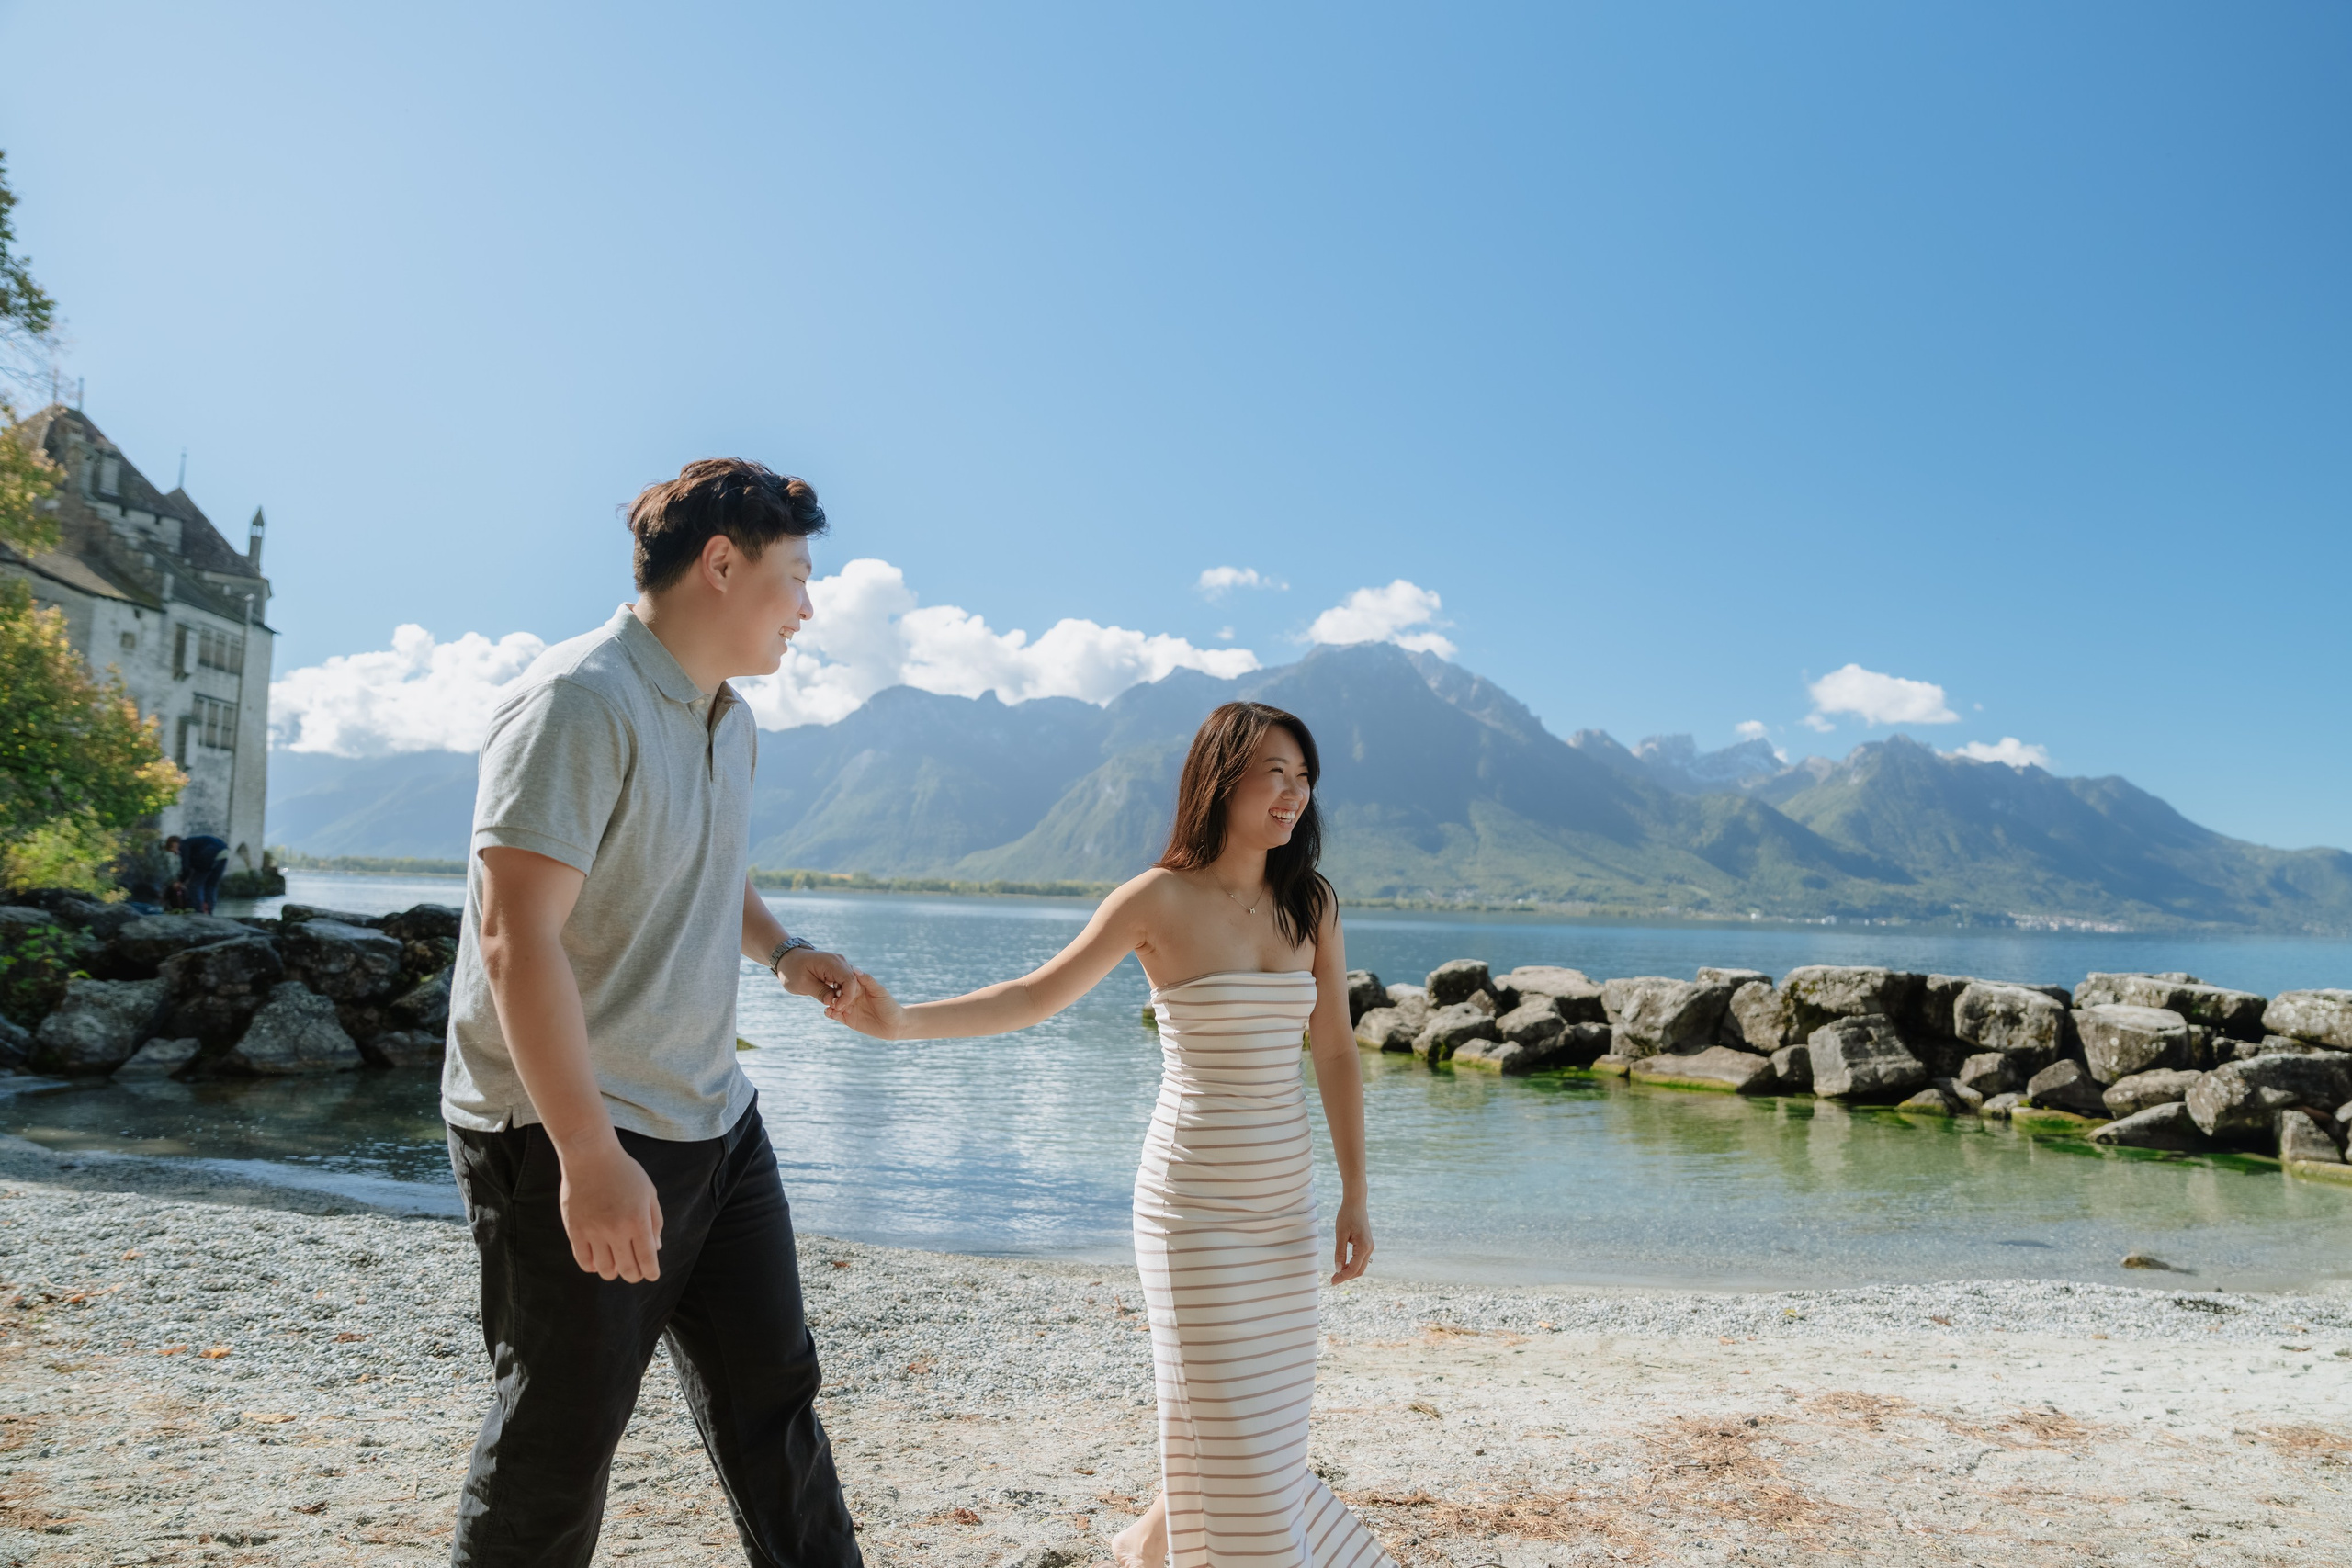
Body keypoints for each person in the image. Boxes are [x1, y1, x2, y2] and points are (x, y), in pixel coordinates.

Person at [830, 701, 1395, 1568]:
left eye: (1305, 777)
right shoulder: (1154, 898)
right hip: (1192, 1208)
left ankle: (1145, 1547)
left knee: (1267, 1424)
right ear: (1222, 777)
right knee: (1223, 1418)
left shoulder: (1309, 903)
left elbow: (1336, 1053)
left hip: (1285, 1206)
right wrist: (904, 1024)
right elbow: (1034, 995)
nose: (1294, 795)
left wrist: (1356, 1192)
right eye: (1275, 773)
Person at [440, 458, 868, 1568]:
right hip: (573, 1127)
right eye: (796, 577)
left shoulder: (731, 717)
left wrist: (786, 951)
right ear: (721, 566)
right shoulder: (578, 700)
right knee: (558, 1441)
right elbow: (513, 936)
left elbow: (703, 863)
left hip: (713, 1118)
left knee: (775, 1402)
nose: (808, 608)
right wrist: (587, 1153)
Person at [162, 833, 228, 914]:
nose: (175, 852)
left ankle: (197, 911)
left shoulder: (184, 844)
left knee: (195, 885)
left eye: (173, 849)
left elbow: (186, 868)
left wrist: (180, 881)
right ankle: (209, 911)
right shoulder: (194, 846)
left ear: (175, 843)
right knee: (211, 885)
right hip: (223, 851)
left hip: (210, 853)